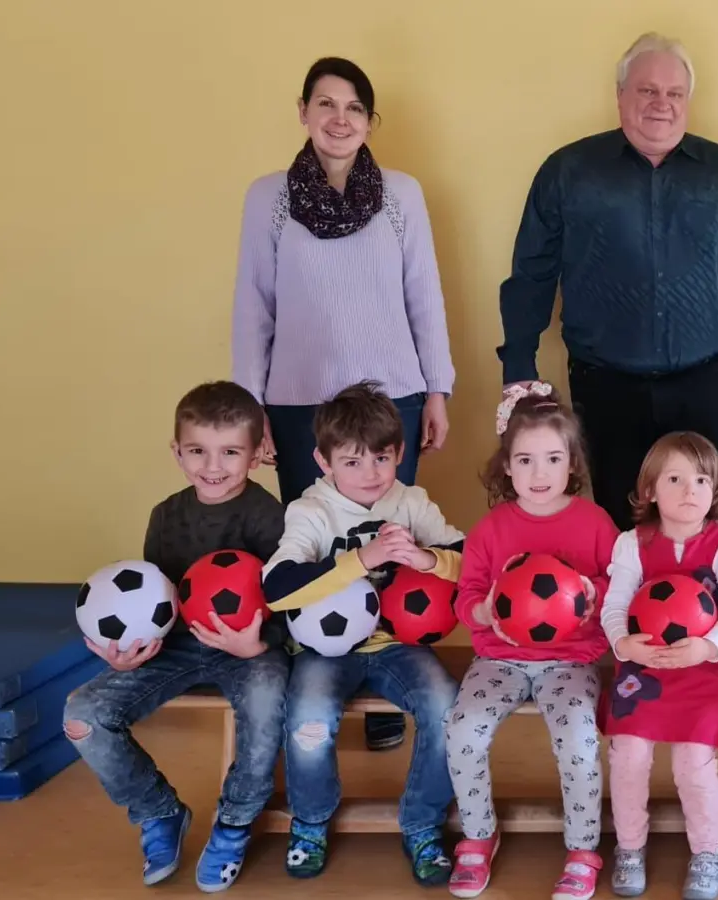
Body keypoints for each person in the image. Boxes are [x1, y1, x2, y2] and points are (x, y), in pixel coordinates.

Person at [232, 56, 458, 750]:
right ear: (302, 112)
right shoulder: (268, 196)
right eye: (325, 104)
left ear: (369, 121)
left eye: (354, 107)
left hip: (395, 396)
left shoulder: (402, 194)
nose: (339, 118)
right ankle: (317, 682)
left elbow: (424, 292)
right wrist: (251, 407)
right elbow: (253, 305)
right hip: (299, 400)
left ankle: (389, 689)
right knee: (317, 545)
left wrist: (439, 389)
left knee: (390, 541)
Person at [497, 32, 718, 529]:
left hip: (704, 381)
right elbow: (532, 271)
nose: (662, 104)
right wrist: (520, 365)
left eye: (674, 94)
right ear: (620, 96)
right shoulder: (568, 172)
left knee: (706, 524)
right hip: (605, 381)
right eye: (647, 91)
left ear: (688, 101)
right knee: (622, 521)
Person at [64, 382, 288, 892]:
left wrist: (257, 644)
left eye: (230, 451)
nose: (213, 465)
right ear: (177, 452)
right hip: (178, 647)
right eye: (197, 451)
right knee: (82, 715)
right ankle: (158, 812)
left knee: (266, 698)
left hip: (250, 649)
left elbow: (289, 603)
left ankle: (234, 823)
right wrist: (129, 655)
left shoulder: (270, 517)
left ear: (255, 455)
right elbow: (150, 602)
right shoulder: (165, 516)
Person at [261, 382, 465, 886]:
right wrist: (360, 560)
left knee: (447, 708)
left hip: (396, 645)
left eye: (382, 457)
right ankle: (309, 822)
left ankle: (422, 823)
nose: (370, 474)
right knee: (308, 719)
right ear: (323, 461)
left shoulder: (411, 502)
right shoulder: (310, 511)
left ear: (399, 453)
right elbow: (277, 588)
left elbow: (471, 563)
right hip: (323, 651)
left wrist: (427, 559)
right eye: (352, 462)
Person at [444, 384, 618, 900]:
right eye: (525, 460)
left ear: (572, 465)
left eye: (552, 459)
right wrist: (481, 609)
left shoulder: (593, 522)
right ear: (506, 467)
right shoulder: (491, 530)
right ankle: (479, 836)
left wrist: (593, 592)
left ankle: (583, 848)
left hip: (571, 660)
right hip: (499, 657)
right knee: (463, 730)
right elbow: (468, 593)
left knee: (580, 741)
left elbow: (619, 583)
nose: (539, 474)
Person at [598, 432, 718, 900]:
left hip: (705, 667)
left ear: (716, 489)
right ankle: (629, 847)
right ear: (649, 490)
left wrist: (707, 647)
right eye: (675, 479)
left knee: (693, 763)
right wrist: (625, 646)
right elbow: (613, 607)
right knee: (628, 753)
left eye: (702, 479)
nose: (691, 490)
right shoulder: (632, 544)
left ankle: (706, 854)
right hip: (644, 667)